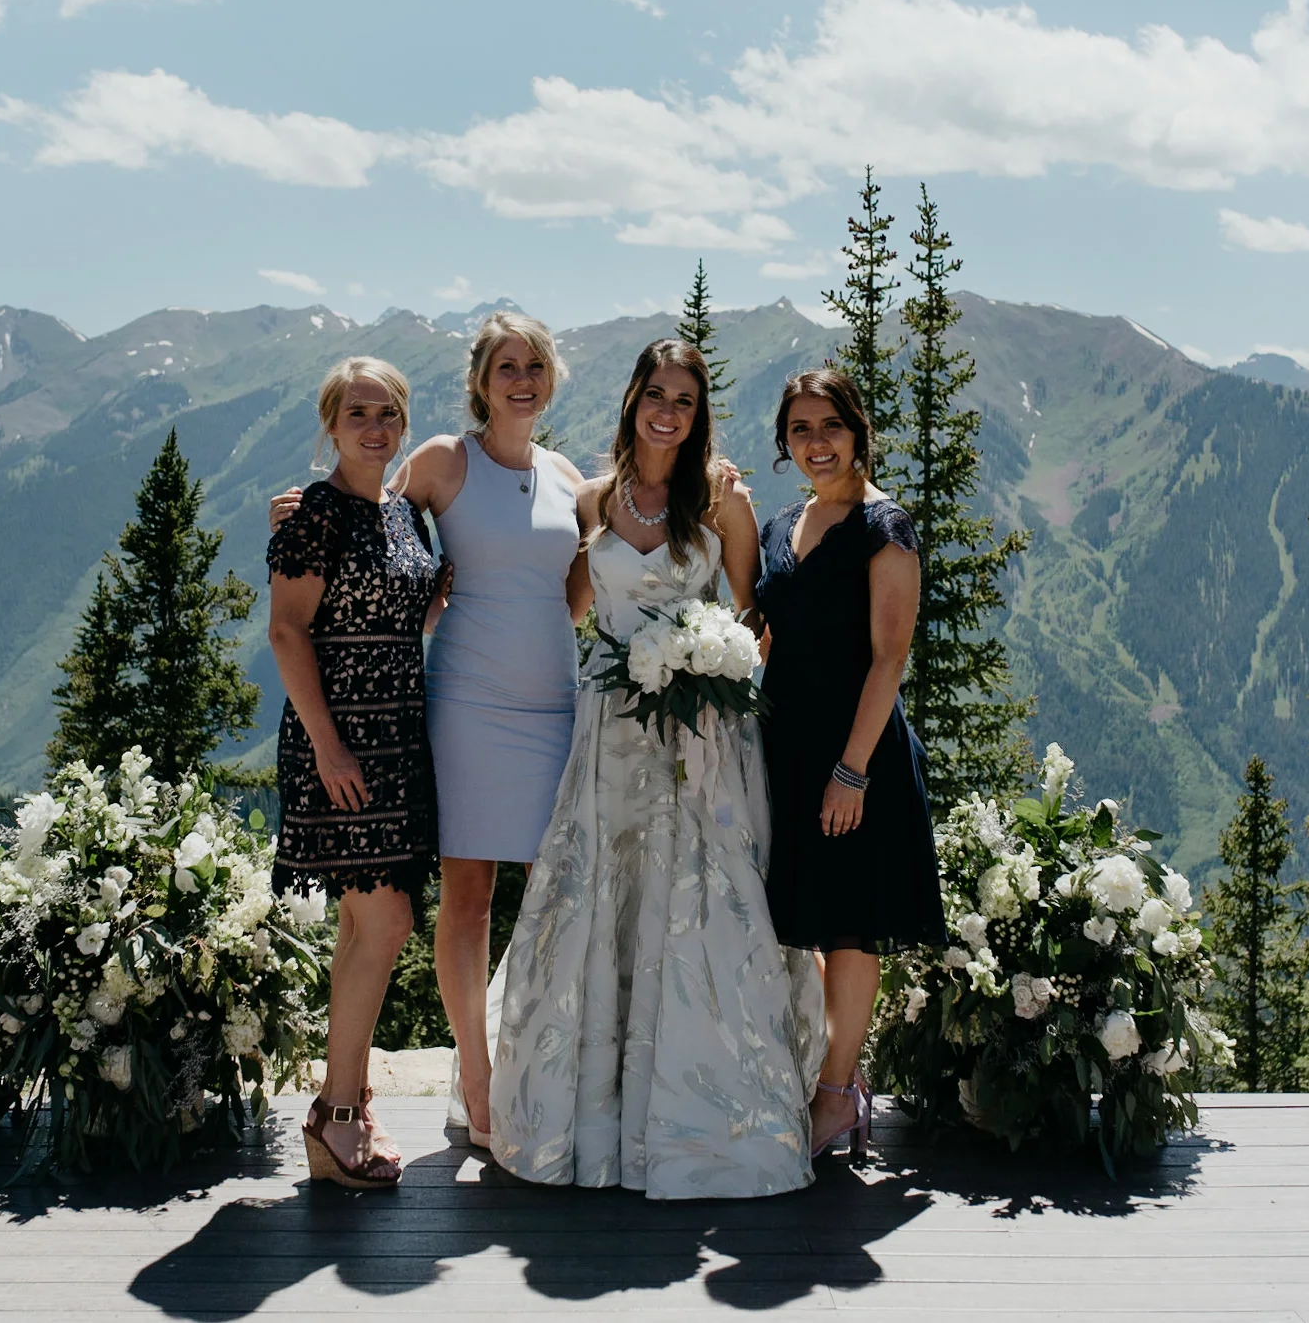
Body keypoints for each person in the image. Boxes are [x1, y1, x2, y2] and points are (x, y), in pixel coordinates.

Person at [488, 339, 820, 1200]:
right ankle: (593, 1115)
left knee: (692, 903)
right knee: (605, 899)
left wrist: (704, 659)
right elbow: (568, 606)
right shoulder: (592, 500)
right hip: (608, 731)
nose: (667, 411)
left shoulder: (721, 499)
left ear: (698, 412)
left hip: (698, 740)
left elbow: (751, 620)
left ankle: (694, 1114)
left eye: (684, 399)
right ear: (633, 398)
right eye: (655, 394)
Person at [273, 312, 586, 1148]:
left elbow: (585, 574)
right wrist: (298, 511)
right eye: (506, 366)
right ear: (480, 380)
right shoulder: (443, 461)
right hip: (459, 706)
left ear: (551, 378)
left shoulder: (566, 475)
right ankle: (473, 1081)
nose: (522, 379)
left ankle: (544, 1071)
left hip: (548, 707)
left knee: (558, 894)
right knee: (463, 898)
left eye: (535, 365)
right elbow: (360, 515)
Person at [754, 368, 943, 1159]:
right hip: (788, 748)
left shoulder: (883, 526)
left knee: (850, 928)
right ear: (785, 442)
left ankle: (834, 1096)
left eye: (830, 425)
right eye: (800, 429)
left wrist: (852, 770)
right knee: (808, 919)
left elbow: (890, 657)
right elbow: (768, 633)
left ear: (858, 430)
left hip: (856, 755)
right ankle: (840, 1075)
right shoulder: (780, 525)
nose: (817, 442)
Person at [264, 357, 443, 1190]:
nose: (376, 428)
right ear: (331, 424)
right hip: (339, 746)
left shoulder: (405, 514)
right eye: (359, 413)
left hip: (399, 741)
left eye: (389, 414)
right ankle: (337, 1115)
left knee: (361, 930)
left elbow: (409, 609)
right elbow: (287, 632)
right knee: (388, 922)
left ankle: (346, 1102)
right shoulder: (313, 515)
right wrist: (329, 745)